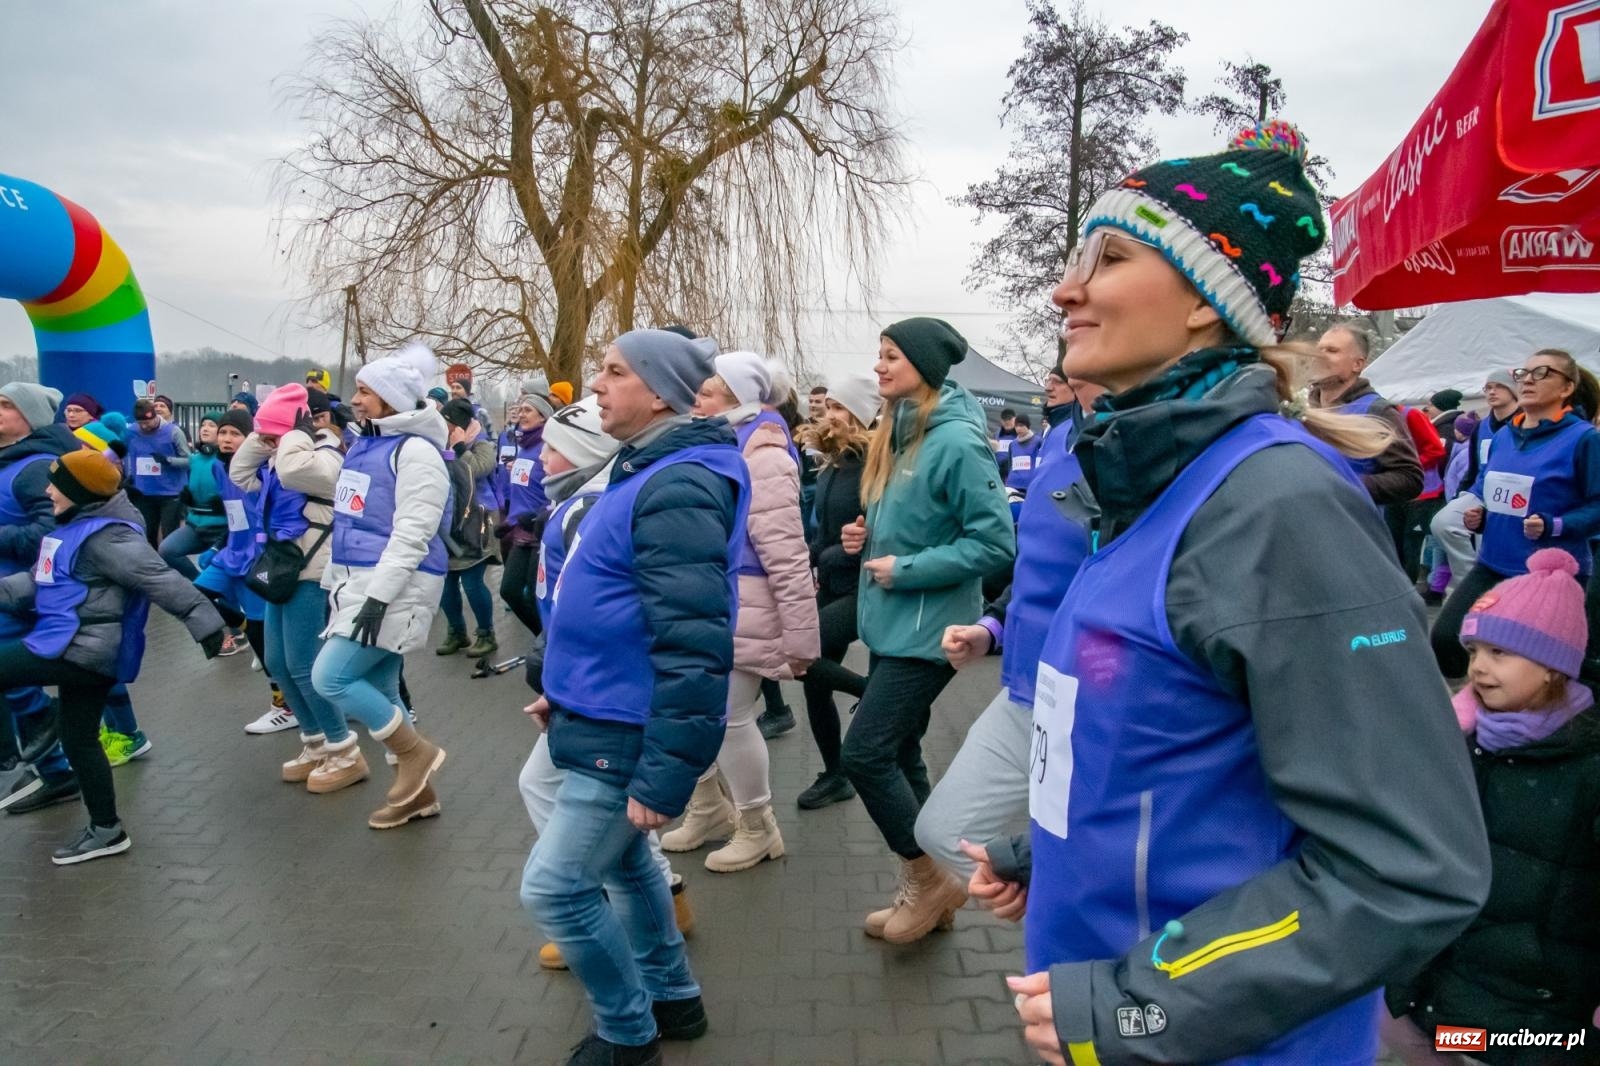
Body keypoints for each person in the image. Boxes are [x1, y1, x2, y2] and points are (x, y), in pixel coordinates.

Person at [1010, 123, 1489, 1065]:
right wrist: (1054, 853)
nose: (1065, 289)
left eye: (1106, 257)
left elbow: (1405, 867)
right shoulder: (1141, 477)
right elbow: (1169, 733)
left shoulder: (1278, 503)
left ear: (1203, 302)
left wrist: (1134, 1010)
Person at [520, 328, 748, 1064]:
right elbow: (612, 599)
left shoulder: (677, 481)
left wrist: (668, 770)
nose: (597, 386)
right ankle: (673, 998)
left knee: (555, 890)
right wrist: (565, 691)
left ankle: (628, 1033)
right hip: (603, 709)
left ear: (658, 392)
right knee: (623, 865)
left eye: (614, 373)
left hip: (628, 728)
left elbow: (694, 640)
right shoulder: (642, 466)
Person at [837, 316, 1015, 945]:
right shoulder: (897, 430)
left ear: (925, 367)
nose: (879, 367)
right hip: (891, 627)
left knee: (864, 753)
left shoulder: (957, 442)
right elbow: (917, 525)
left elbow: (996, 542)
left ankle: (932, 879)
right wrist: (862, 538)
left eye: (891, 356)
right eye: (878, 355)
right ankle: (929, 888)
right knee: (901, 750)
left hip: (932, 633)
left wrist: (906, 569)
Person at [1385, 550, 1600, 1063]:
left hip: (1534, 1023)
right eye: (1474, 650)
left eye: (1501, 653)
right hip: (1438, 991)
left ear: (1553, 667)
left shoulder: (1588, 769)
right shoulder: (1460, 740)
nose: (1478, 667)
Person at [516, 394, 694, 972]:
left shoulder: (594, 507)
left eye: (555, 447)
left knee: (558, 861)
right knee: (606, 830)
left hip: (608, 698)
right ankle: (660, 932)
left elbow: (596, 609)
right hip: (586, 688)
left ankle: (591, 919)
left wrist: (554, 671)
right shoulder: (581, 503)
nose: (542, 457)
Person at [914, 364, 1099, 890]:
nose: (1070, 303)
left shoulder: (1151, 448)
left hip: (1094, 695)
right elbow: (1041, 561)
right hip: (1026, 683)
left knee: (1081, 859)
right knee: (944, 829)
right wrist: (993, 625)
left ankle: (1077, 953)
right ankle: (1048, 919)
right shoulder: (1061, 435)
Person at [0, 449, 224, 863]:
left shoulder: (110, 537)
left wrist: (206, 624)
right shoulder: (69, 528)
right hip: (69, 645)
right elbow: (38, 582)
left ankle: (39, 719)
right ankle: (107, 830)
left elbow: (159, 578)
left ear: (79, 492)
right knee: (81, 740)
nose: (48, 490)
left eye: (57, 484)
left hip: (81, 650)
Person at [662, 351, 818, 873]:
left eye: (707, 392)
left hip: (746, 604)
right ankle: (708, 808)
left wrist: (801, 639)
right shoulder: (725, 442)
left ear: (738, 399)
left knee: (730, 719)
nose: (696, 400)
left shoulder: (765, 453)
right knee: (694, 711)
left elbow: (787, 553)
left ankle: (758, 828)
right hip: (713, 599)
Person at [310, 343, 451, 828]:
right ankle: (420, 796)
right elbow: (349, 523)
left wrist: (377, 596)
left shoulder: (416, 452)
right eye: (357, 389)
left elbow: (414, 532)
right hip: (358, 582)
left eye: (367, 391)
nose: (356, 398)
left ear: (391, 399)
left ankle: (416, 754)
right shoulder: (366, 445)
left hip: (395, 585)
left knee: (330, 677)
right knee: (381, 686)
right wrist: (336, 583)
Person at [1432, 348, 1600, 680]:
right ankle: (1483, 706)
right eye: (1523, 373)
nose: (1527, 381)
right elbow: (1492, 490)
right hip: (1492, 562)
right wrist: (1482, 516)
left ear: (1566, 388)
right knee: (1445, 638)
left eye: (1542, 373)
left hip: (1550, 573)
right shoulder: (1503, 436)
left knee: (1534, 666)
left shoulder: (1584, 439)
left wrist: (1556, 525)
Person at [231, 384, 357, 794]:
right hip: (282, 567)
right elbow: (240, 473)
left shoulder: (326, 458)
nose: (268, 444)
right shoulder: (283, 452)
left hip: (312, 570)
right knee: (278, 662)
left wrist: (296, 433)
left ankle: (344, 749)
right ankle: (315, 741)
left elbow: (292, 472)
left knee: (304, 664)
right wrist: (269, 426)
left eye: (274, 435)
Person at [791, 373, 877, 810]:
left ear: (862, 416)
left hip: (863, 591)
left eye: (842, 409)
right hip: (830, 585)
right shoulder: (832, 466)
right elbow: (824, 533)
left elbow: (872, 537)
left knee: (802, 655)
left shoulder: (872, 469)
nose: (831, 415)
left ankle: (873, 694)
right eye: (830, 407)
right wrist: (803, 555)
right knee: (810, 678)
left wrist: (830, 555)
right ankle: (835, 774)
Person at [0, 383, 86, 815]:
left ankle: (58, 768)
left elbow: (48, 534)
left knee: (16, 678)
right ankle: (52, 768)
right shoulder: (10, 461)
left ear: (29, 417)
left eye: (6, 405)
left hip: (17, 595)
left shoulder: (34, 466)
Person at [1309, 323, 1423, 507]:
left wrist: (1345, 485)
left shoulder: (1377, 412)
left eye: (1331, 350)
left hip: (1350, 527)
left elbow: (1410, 478)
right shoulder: (1299, 410)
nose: (1319, 357)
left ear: (1357, 364)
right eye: (1318, 350)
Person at [1431, 369, 1521, 596]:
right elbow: (1473, 466)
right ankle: (1468, 580)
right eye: (1488, 387)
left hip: (1509, 494)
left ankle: (1491, 592)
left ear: (1513, 390)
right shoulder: (1482, 427)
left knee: (1487, 545)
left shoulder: (1524, 423)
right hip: (1479, 490)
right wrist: (1462, 493)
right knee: (1442, 523)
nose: (1492, 392)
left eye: (1498, 386)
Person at [435, 398, 501, 660]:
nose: (445, 428)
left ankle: (486, 634)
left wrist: (460, 446)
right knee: (446, 583)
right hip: (448, 521)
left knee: (472, 583)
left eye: (449, 423)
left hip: (478, 521)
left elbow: (476, 469)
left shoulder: (481, 444)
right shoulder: (437, 445)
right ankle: (456, 631)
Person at [498, 389, 552, 637]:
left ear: (543, 416)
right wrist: (508, 521)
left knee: (535, 595)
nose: (521, 415)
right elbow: (521, 489)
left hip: (541, 531)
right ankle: (542, 639)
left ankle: (549, 645)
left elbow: (555, 489)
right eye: (520, 410)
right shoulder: (523, 445)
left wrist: (541, 516)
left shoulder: (547, 447)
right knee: (509, 591)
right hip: (520, 530)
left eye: (528, 410)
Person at [158, 410, 230, 582]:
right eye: (203, 425)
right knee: (167, 550)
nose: (205, 429)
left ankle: (220, 598)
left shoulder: (228, 460)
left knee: (217, 568)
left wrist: (225, 505)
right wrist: (188, 498)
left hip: (222, 529)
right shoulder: (195, 459)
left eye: (212, 425)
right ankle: (198, 584)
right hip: (195, 524)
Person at [124, 397, 192, 547]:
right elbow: (126, 454)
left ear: (155, 416)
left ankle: (172, 566)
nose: (145, 427)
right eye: (141, 423)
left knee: (169, 536)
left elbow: (190, 461)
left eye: (148, 422)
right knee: (148, 534)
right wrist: (129, 476)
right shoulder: (131, 432)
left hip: (170, 492)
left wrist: (169, 461)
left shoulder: (173, 432)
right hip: (145, 492)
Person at [998, 412, 1044, 517]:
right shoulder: (1013, 444)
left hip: (1030, 486)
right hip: (1013, 485)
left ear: (1027, 426)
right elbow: (1011, 465)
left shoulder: (1038, 442)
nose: (1018, 429)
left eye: (1021, 425)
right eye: (1017, 426)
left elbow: (1040, 463)